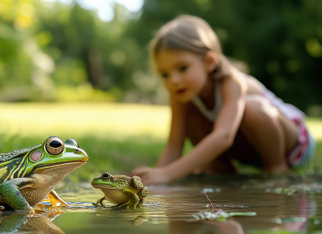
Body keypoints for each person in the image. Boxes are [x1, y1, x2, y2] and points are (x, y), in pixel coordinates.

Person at [132, 15, 315, 185]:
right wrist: (153, 176)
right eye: (164, 74)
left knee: (252, 107)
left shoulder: (232, 82)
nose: (173, 80)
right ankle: (221, 168)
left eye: (182, 68)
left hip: (290, 142)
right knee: (192, 117)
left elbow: (224, 137)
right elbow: (174, 146)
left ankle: (276, 166)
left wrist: (168, 174)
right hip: (248, 146)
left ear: (209, 61)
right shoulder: (180, 94)